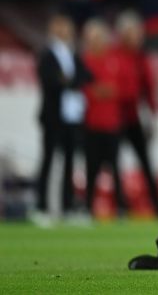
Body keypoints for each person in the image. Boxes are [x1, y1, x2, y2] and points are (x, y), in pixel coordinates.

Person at [33, 14, 92, 226]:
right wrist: (70, 81)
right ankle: (41, 207)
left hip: (72, 116)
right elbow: (49, 80)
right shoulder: (47, 54)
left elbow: (86, 76)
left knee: (69, 162)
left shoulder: (73, 54)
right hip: (53, 116)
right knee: (48, 161)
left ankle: (68, 207)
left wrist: (68, 81)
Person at [113, 11, 158, 216]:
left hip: (133, 117)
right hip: (115, 117)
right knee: (113, 162)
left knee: (145, 161)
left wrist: (152, 113)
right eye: (134, 33)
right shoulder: (114, 55)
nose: (138, 37)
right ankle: (120, 206)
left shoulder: (141, 58)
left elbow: (148, 88)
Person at [81, 19, 127, 217]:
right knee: (91, 169)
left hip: (112, 123)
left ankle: (121, 208)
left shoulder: (114, 59)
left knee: (116, 168)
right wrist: (103, 90)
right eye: (93, 38)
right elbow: (86, 91)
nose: (97, 42)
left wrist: (100, 90)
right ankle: (88, 208)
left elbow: (121, 88)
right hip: (91, 123)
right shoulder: (85, 61)